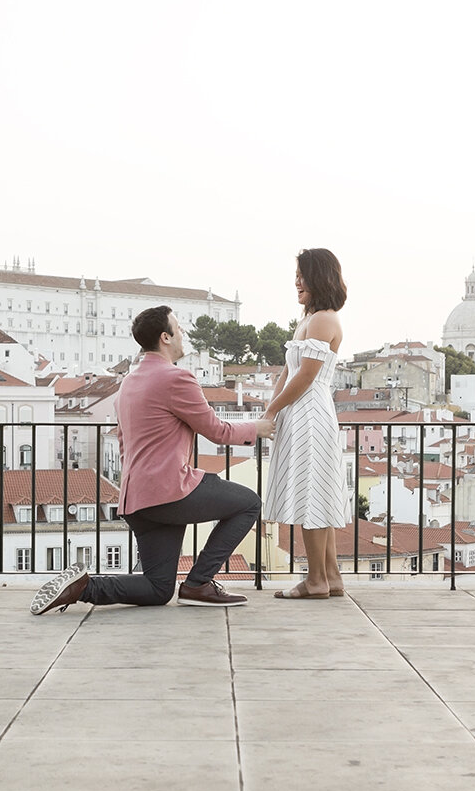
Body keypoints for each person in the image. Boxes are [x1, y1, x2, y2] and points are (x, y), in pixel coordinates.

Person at [31, 305, 274, 614]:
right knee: (249, 503)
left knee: (158, 589)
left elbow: (122, 440)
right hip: (170, 493)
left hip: (136, 499)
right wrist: (258, 428)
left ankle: (83, 587)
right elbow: (216, 429)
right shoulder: (177, 378)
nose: (184, 334)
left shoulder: (128, 382)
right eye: (179, 329)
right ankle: (199, 583)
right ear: (165, 338)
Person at [261, 248, 349, 599]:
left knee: (312, 495)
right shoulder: (309, 320)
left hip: (310, 416)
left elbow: (307, 378)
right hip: (301, 414)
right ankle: (331, 576)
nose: (297, 281)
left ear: (319, 278)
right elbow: (288, 373)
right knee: (315, 493)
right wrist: (274, 407)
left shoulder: (323, 320)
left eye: (303, 275)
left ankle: (315, 582)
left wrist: (271, 412)